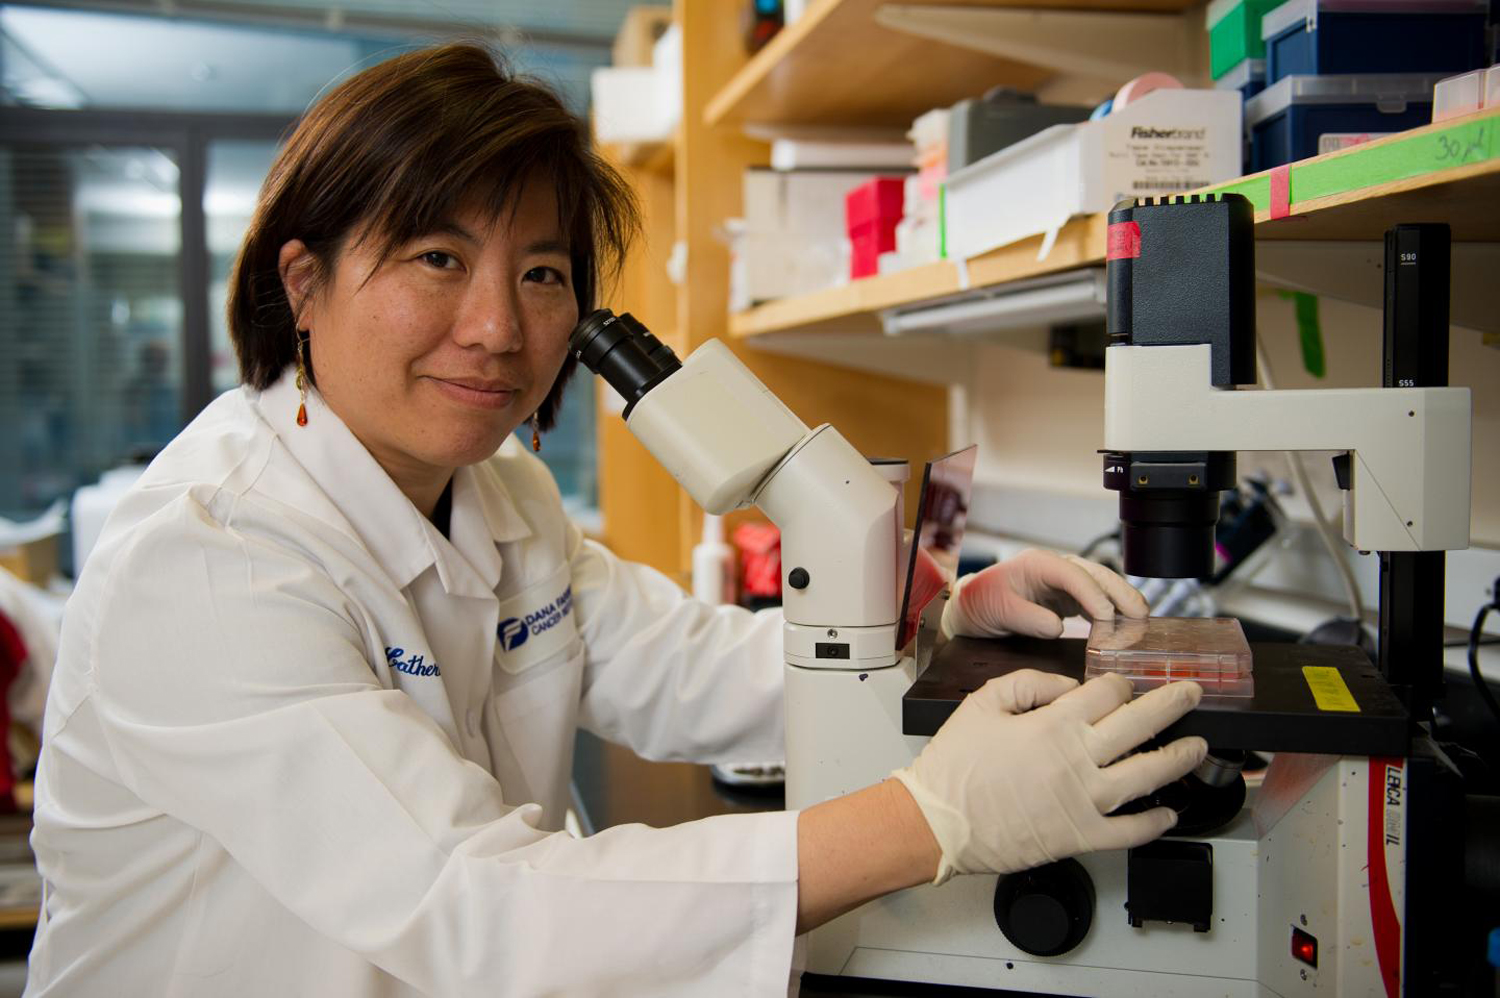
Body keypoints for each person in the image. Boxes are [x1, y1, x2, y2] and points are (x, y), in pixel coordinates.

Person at [24, 43, 1206, 997]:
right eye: (437, 256)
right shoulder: (208, 557)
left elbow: (692, 666)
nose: (496, 326)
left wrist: (940, 619)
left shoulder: (502, 493)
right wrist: (934, 818)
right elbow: (482, 907)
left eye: (543, 274)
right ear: (304, 282)